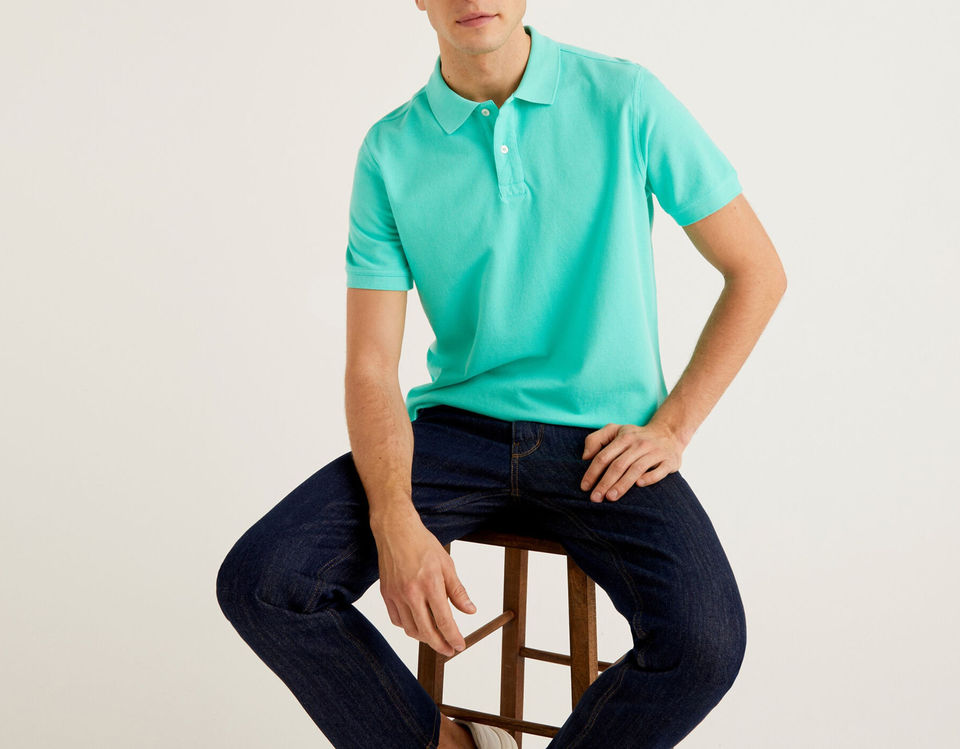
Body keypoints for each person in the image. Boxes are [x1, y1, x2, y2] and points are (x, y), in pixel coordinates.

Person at [216, 2, 786, 748]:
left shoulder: (625, 99)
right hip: (456, 435)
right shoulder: (391, 150)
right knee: (263, 581)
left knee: (704, 645)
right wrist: (394, 517)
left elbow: (756, 271)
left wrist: (673, 427)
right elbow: (370, 364)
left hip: (602, 445)